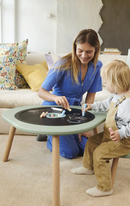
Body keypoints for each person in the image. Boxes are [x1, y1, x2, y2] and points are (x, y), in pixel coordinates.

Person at [71, 60, 130, 197]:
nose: (104, 84)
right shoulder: (116, 96)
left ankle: (105, 188)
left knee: (99, 154)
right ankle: (88, 167)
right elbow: (106, 104)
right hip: (109, 136)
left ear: (117, 83)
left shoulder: (129, 102)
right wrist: (92, 106)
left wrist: (121, 133)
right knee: (92, 142)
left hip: (122, 141)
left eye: (106, 82)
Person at [37, 29, 103, 159]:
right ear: (75, 48)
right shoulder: (64, 63)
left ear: (96, 50)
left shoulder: (96, 66)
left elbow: (90, 98)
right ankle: (50, 137)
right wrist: (55, 98)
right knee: (71, 152)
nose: (84, 55)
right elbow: (41, 92)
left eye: (89, 51)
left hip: (74, 112)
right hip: (54, 111)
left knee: (89, 150)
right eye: (80, 51)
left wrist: (83, 126)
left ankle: (62, 137)